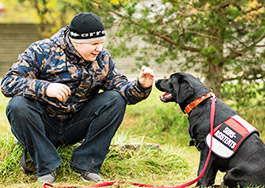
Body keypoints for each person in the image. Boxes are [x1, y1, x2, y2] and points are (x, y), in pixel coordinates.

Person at [1, 12, 154, 184]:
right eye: (94, 44)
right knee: (18, 105)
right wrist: (45, 88)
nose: (100, 48)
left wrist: (142, 85)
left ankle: (86, 164)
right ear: (76, 42)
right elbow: (8, 83)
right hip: (42, 125)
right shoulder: (41, 51)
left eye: (102, 43)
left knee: (115, 100)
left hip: (75, 125)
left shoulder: (102, 59)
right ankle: (46, 166)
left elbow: (123, 91)